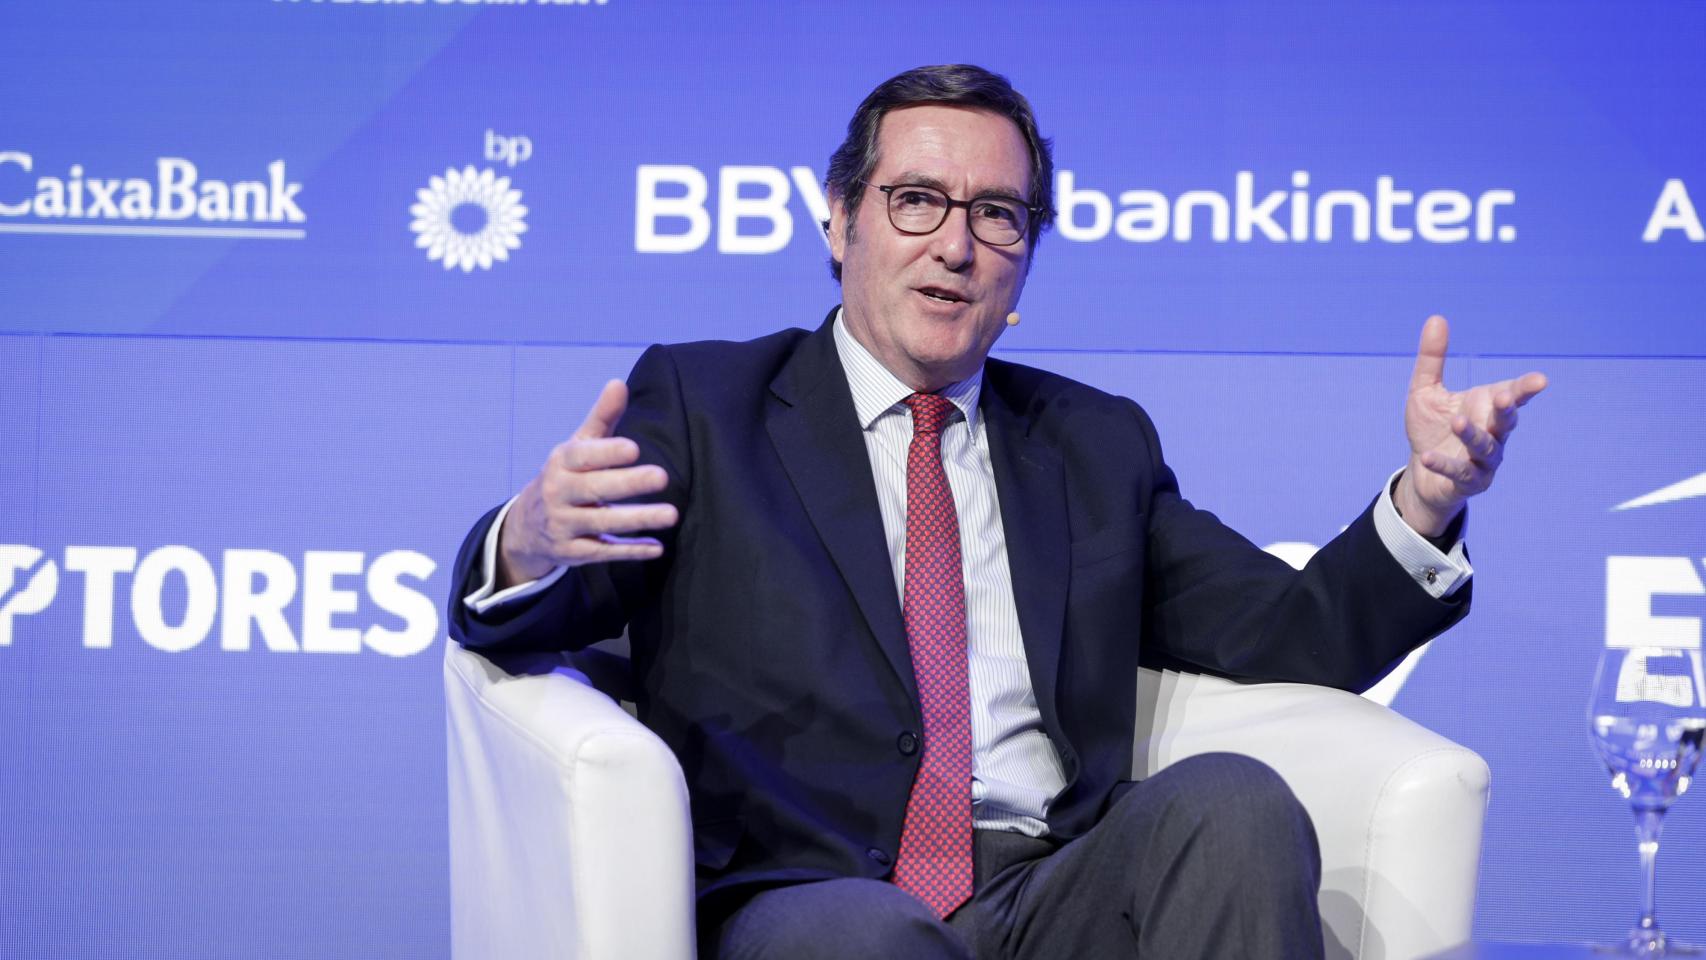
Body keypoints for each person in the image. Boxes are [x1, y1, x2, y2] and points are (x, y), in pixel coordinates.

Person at [448, 64, 1547, 959]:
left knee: (1233, 802)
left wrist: (1425, 502)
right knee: (862, 939)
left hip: (1051, 888)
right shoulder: (707, 405)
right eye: (916, 200)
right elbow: (548, 599)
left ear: (1025, 259)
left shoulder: (1091, 443)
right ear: (839, 220)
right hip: (810, 902)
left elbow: (1290, 631)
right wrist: (529, 540)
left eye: (997, 215)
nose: (956, 244)